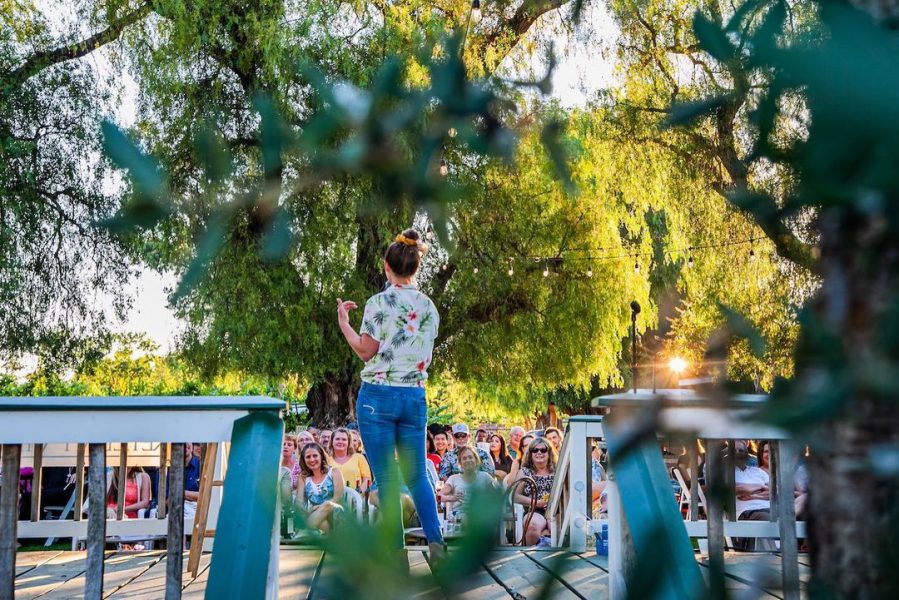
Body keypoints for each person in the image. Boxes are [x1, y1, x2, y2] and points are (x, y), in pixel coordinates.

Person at [336, 227, 444, 560]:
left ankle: (397, 555)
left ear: (386, 266)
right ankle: (437, 545)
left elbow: (365, 350)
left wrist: (344, 323)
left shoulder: (378, 303)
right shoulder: (429, 307)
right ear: (416, 267)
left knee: (385, 477)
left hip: (378, 396)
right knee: (418, 475)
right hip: (413, 396)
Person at [512, 437, 556, 546]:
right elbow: (515, 496)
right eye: (535, 450)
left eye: (543, 450)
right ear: (530, 454)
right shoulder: (524, 472)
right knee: (532, 527)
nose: (539, 452)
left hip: (556, 510)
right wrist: (536, 503)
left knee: (558, 529)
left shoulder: (558, 471)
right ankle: (529, 555)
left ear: (549, 453)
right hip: (533, 509)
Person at [296, 442, 345, 534]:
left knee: (328, 504)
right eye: (308, 457)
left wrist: (319, 507)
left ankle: (303, 531)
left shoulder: (334, 472)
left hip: (335, 512)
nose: (312, 459)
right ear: (304, 460)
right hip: (316, 515)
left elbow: (338, 498)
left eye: (315, 456)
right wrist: (305, 510)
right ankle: (331, 539)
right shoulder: (303, 477)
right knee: (323, 523)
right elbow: (299, 501)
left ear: (321, 456)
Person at [440, 447, 496, 525]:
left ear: (476, 460)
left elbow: (498, 496)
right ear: (460, 463)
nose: (468, 460)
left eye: (470, 457)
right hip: (459, 518)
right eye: (464, 458)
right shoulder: (453, 478)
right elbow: (439, 496)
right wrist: (453, 498)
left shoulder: (485, 477)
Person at [328, 427, 372, 494]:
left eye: (344, 439)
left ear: (348, 442)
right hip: (332, 498)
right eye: (337, 439)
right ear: (332, 441)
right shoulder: (326, 460)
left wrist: (357, 493)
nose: (340, 441)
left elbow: (367, 480)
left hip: (356, 498)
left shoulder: (359, 458)